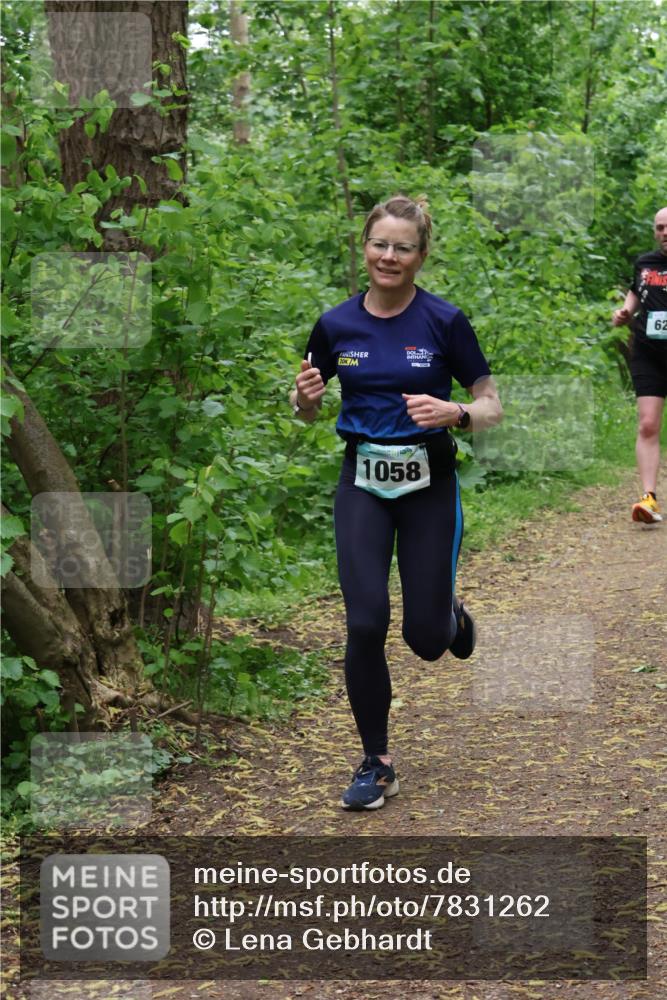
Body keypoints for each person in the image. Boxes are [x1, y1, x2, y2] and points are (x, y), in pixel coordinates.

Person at [290, 194, 503, 810]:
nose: (389, 256)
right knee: (364, 622)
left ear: (421, 255)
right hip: (362, 482)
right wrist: (305, 400)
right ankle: (376, 763)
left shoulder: (444, 321)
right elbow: (304, 411)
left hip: (429, 484)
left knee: (427, 640)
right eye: (379, 244)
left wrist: (456, 412)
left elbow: (491, 404)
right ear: (364, 248)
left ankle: (450, 617)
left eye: (402, 248)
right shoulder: (335, 325)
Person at [612, 206, 667, 523]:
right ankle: (649, 499)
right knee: (647, 425)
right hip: (648, 354)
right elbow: (636, 294)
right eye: (660, 227)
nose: (665, 233)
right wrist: (624, 312)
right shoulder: (645, 263)